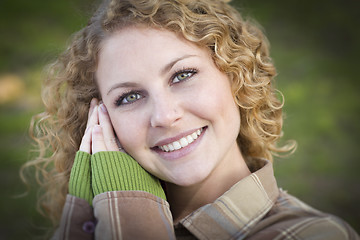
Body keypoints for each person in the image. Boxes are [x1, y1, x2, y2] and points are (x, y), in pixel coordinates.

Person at [22, 0, 359, 239]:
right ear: (101, 121)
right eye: (129, 97)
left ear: (235, 76)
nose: (165, 116)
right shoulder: (96, 223)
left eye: (182, 75)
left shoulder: (312, 234)